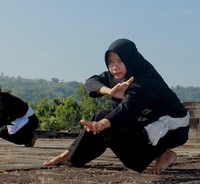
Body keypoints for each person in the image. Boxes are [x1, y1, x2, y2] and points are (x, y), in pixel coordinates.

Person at [43, 38, 189, 174]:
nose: (114, 66)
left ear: (130, 59)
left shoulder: (145, 78)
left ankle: (163, 152)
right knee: (103, 119)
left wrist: (103, 123)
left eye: (120, 60)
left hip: (172, 128)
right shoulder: (116, 76)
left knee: (134, 160)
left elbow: (128, 107)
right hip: (145, 123)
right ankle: (70, 155)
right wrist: (110, 91)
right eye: (110, 61)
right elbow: (91, 82)